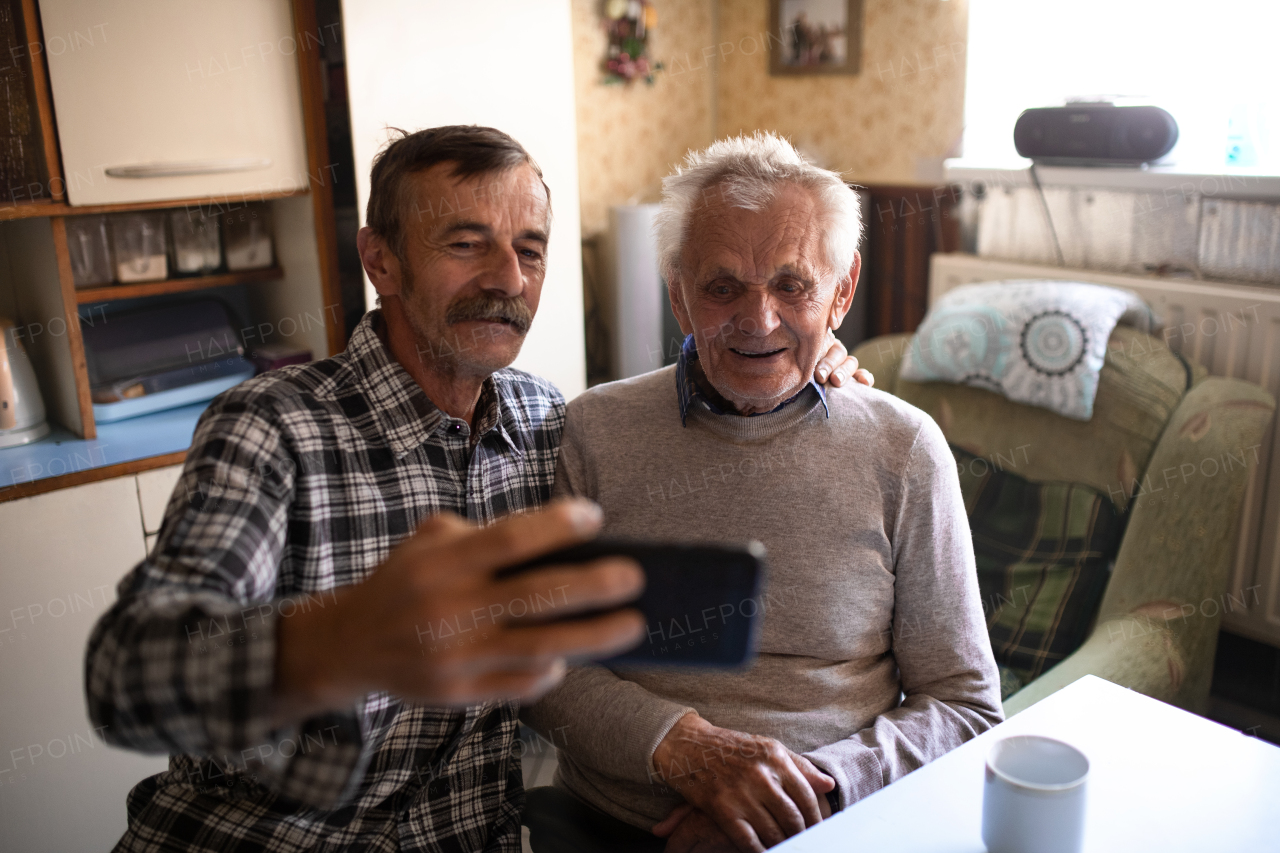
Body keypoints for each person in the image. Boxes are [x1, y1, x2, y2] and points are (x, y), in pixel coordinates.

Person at [84, 125, 871, 852]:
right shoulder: (273, 426)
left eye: (530, 250)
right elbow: (128, 675)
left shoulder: (544, 423)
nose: (507, 277)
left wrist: (813, 376)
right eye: (467, 243)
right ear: (381, 259)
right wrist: (340, 637)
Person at [522, 133, 1003, 853]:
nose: (758, 319)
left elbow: (965, 702)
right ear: (679, 295)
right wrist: (686, 750)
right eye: (722, 287)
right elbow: (540, 666)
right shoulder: (594, 429)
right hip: (619, 825)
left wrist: (803, 791)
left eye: (792, 283)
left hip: (835, 820)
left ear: (841, 292)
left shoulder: (904, 447)